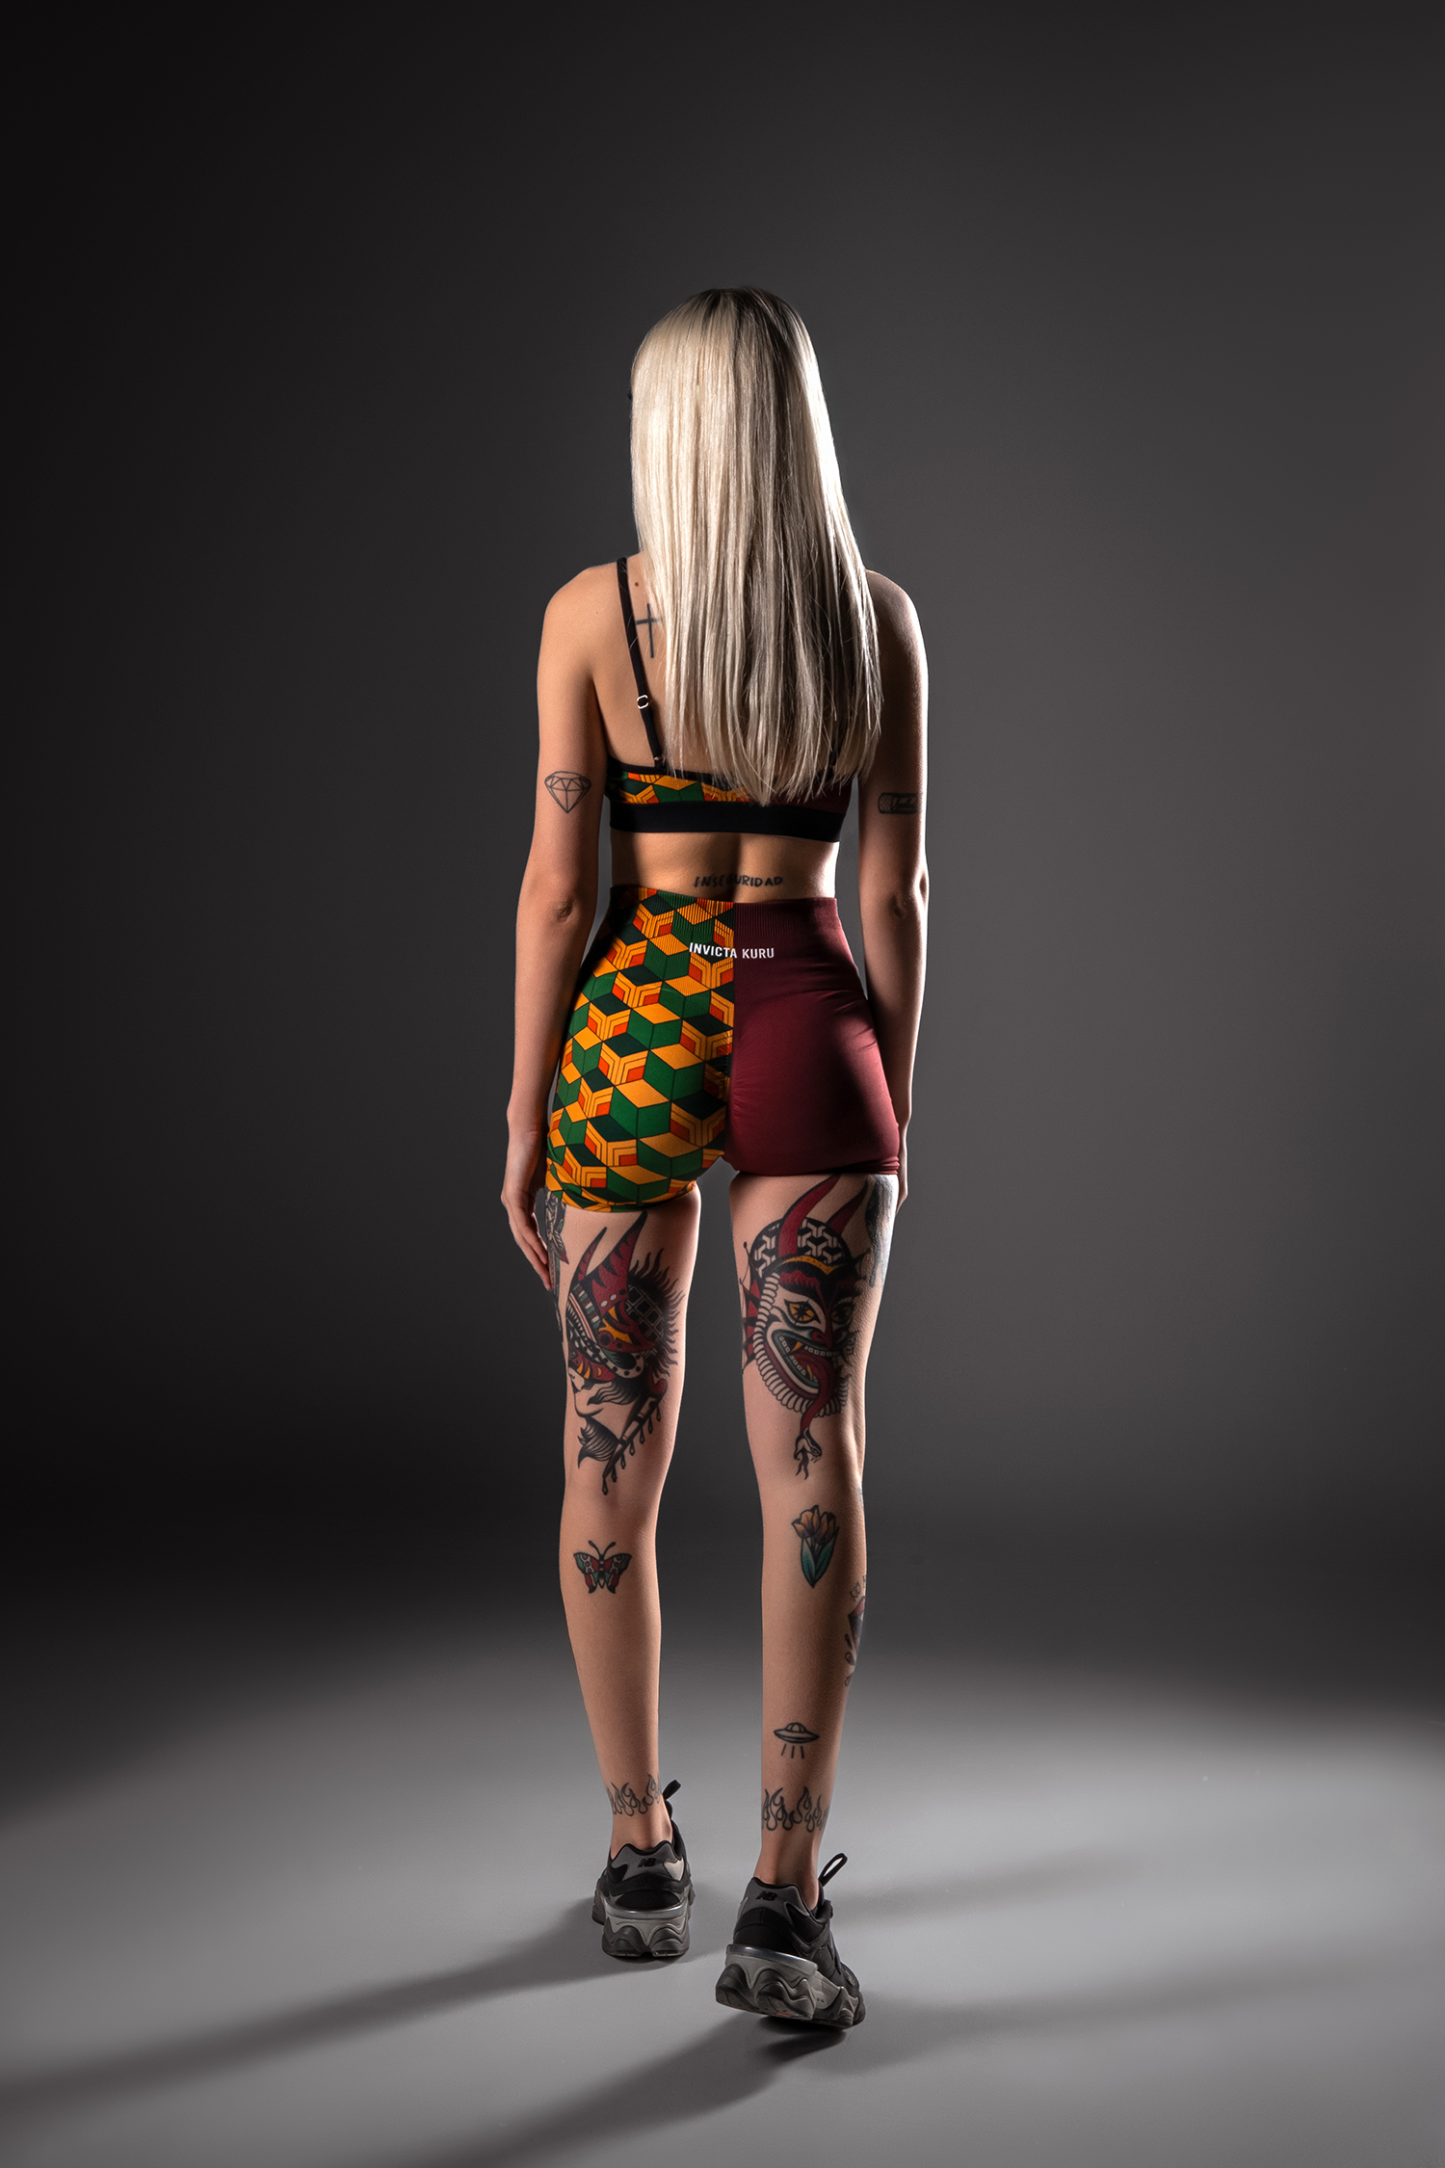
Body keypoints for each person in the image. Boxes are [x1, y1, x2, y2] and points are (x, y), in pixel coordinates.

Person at [502, 289, 926, 2028]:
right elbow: (895, 889)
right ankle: (783, 1898)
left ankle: (637, 1853)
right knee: (810, 1450)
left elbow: (559, 890)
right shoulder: (874, 623)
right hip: (805, 1000)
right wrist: (888, 1091)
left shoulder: (591, 617)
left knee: (611, 1441)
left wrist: (524, 1109)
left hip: (639, 1014)